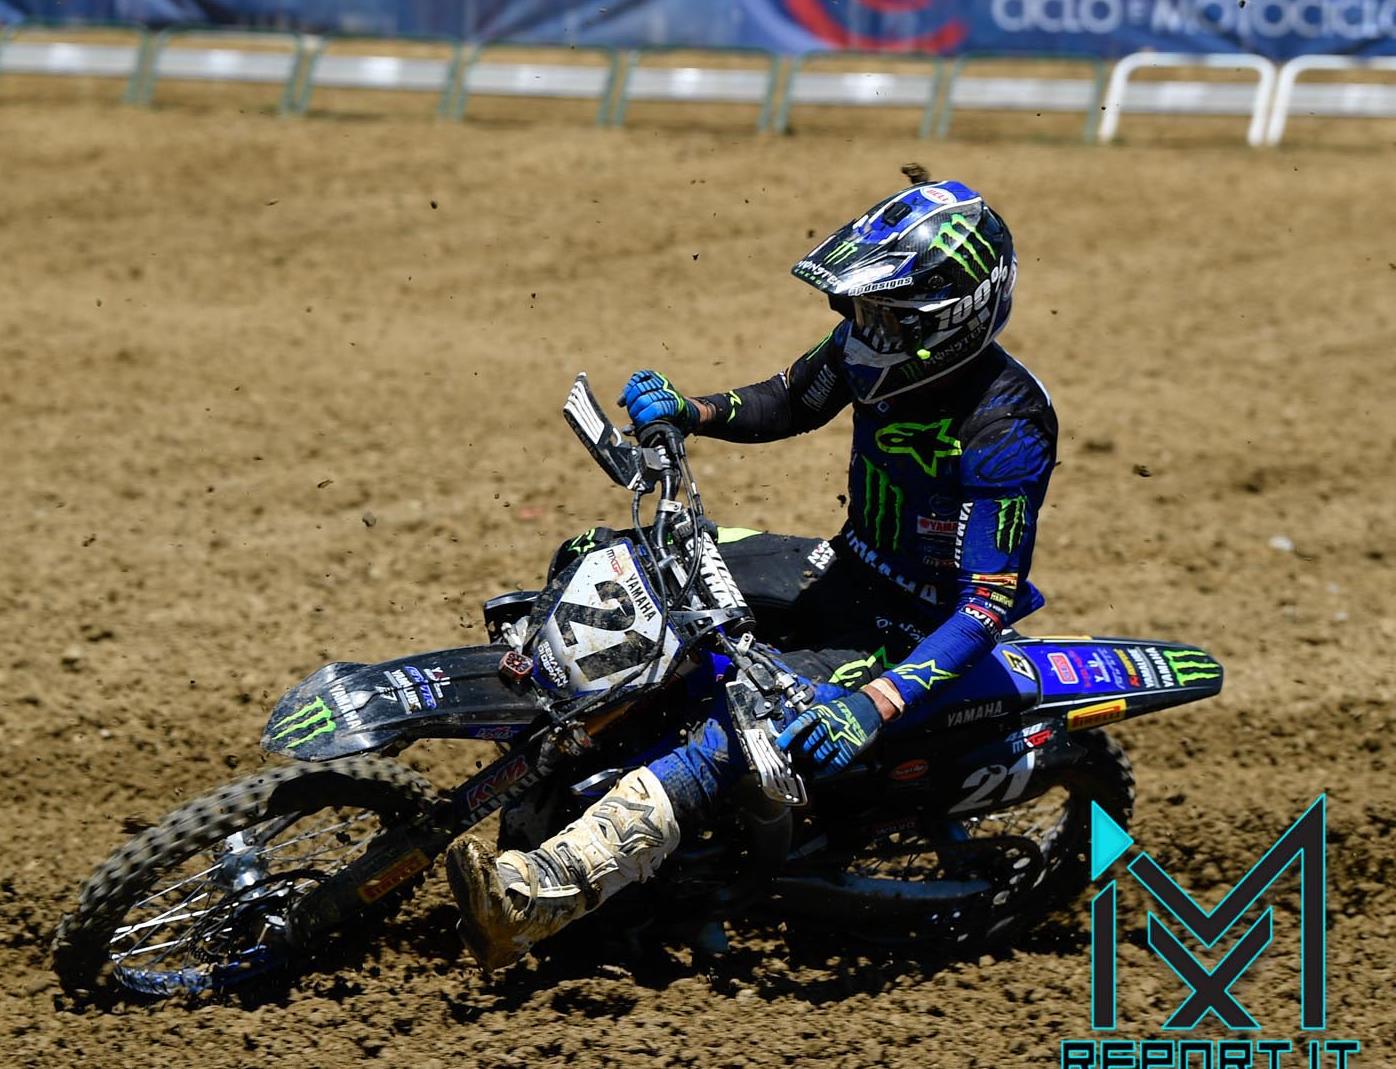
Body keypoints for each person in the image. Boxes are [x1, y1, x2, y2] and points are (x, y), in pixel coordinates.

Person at [446, 174, 1059, 970]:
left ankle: (547, 891)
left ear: (948, 320)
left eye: (884, 315)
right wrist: (690, 412)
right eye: (862, 310)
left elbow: (984, 603)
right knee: (617, 560)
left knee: (741, 730)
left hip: (913, 626)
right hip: (842, 565)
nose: (862, 330)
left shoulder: (1009, 425)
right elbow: (792, 398)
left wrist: (873, 703)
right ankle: (568, 769)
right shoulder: (870, 350)